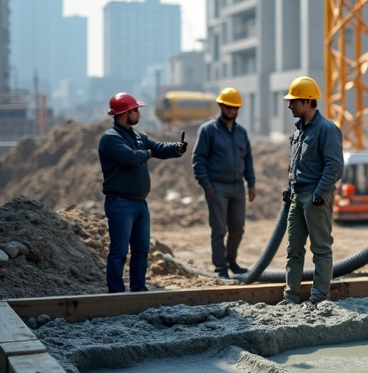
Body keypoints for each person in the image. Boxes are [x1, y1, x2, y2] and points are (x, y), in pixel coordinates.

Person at [98, 92, 188, 293]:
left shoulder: (137, 136)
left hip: (140, 204)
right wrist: (147, 154)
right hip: (120, 203)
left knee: (141, 250)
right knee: (119, 251)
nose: (139, 113)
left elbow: (158, 148)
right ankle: (116, 293)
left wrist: (176, 148)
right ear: (124, 113)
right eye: (135, 110)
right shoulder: (110, 138)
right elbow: (130, 158)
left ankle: (138, 289)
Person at [281, 76, 344, 304]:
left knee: (321, 250)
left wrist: (320, 193)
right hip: (298, 197)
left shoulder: (327, 130)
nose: (289, 105)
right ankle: (291, 297)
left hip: (316, 198)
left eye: (293, 101)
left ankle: (318, 298)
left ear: (307, 101)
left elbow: (334, 166)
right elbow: (295, 165)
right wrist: (289, 187)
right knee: (293, 250)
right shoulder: (299, 131)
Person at [192, 87, 257, 279]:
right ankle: (220, 267)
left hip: (237, 186)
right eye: (228, 107)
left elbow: (249, 159)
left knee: (238, 228)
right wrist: (207, 185)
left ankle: (232, 261)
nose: (231, 111)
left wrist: (251, 183)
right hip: (216, 187)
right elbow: (198, 160)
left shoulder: (241, 132)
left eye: (235, 108)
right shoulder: (207, 130)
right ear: (221, 106)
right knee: (219, 229)